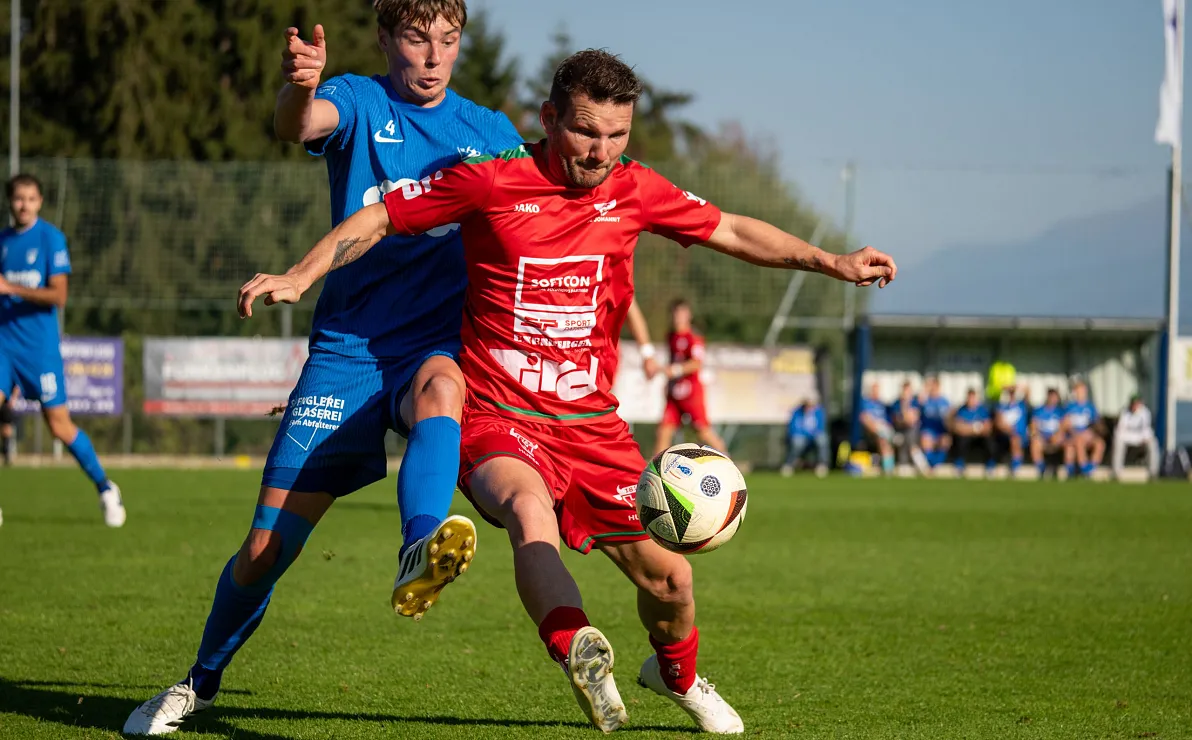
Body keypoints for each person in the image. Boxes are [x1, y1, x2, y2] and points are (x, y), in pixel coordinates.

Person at [239, 49, 896, 733]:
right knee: (528, 513)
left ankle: (676, 675)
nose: (601, 151)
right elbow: (376, 219)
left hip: (592, 427)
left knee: (672, 582)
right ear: (550, 118)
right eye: (585, 132)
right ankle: (578, 645)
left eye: (616, 135)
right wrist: (298, 274)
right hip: (498, 414)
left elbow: (728, 227)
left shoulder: (634, 189)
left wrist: (831, 262)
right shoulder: (490, 183)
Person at [124, 2, 524, 734]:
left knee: (442, 392)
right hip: (345, 352)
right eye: (415, 38)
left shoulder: (491, 133)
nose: (432, 57)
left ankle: (419, 546)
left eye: (447, 41)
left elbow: (532, 219)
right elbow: (297, 126)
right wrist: (299, 86)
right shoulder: (359, 99)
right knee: (264, 550)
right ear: (384, 38)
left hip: (433, 342)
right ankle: (200, 681)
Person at [0, 174, 124, 526]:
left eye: (30, 198)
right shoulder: (2, 242)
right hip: (3, 345)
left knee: (59, 427)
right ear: (10, 201)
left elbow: (59, 295)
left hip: (39, 350)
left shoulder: (50, 238)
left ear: (39, 202)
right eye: (18, 198)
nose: (23, 204)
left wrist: (10, 287)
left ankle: (105, 488)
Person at [651, 298, 727, 456]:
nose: (678, 317)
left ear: (688, 315)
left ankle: (728, 462)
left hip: (691, 392)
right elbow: (672, 362)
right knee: (663, 431)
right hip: (674, 394)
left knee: (703, 431)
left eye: (681, 313)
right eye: (675, 313)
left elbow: (696, 363)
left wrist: (676, 370)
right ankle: (653, 472)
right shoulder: (671, 336)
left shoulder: (694, 337)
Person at [1063, 379, 1104, 478]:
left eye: (1082, 391)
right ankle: (1083, 469)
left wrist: (1091, 431)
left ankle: (1091, 469)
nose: (1080, 393)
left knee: (1100, 444)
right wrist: (1075, 433)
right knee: (1078, 442)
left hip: (1088, 436)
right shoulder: (1070, 407)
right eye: (1078, 391)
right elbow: (1066, 425)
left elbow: (1096, 424)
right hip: (1074, 436)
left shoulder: (1090, 407)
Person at [1112, 396, 1159, 479]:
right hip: (1127, 436)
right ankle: (1116, 471)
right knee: (1118, 441)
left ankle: (1153, 472)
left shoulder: (1145, 412)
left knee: (1153, 442)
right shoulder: (1124, 412)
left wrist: (1145, 438)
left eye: (1137, 403)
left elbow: (1146, 429)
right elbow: (1120, 429)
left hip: (1141, 437)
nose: (1135, 406)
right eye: (1133, 404)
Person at [781, 398, 828, 477]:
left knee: (822, 439)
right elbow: (793, 428)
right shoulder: (797, 412)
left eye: (810, 405)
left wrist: (811, 435)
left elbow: (820, 428)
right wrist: (806, 434)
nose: (808, 407)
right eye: (807, 405)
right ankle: (789, 465)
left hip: (813, 438)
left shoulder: (819, 412)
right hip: (801, 437)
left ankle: (822, 465)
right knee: (797, 441)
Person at [950, 388, 994, 472]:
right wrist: (975, 428)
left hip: (980, 437)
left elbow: (988, 427)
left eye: (973, 398)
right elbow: (958, 427)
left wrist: (969, 428)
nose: (971, 400)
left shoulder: (982, 410)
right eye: (969, 398)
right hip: (967, 437)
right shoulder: (962, 410)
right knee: (960, 440)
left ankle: (990, 464)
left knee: (989, 441)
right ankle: (959, 464)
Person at [859, 382, 895, 475]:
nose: (876, 392)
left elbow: (888, 421)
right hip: (871, 432)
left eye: (878, 390)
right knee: (883, 440)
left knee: (887, 441)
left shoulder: (881, 404)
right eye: (875, 390)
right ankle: (888, 469)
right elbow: (864, 418)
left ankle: (889, 467)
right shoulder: (865, 403)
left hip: (884, 431)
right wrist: (876, 429)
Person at [916, 375, 951, 469]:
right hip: (927, 430)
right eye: (932, 386)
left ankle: (935, 464)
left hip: (940, 431)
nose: (933, 389)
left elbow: (949, 419)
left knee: (946, 440)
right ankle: (930, 464)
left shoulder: (945, 402)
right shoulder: (925, 400)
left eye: (935, 386)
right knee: (926, 439)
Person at [1030, 388, 1066, 476]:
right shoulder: (1039, 411)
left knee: (1066, 444)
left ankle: (1070, 471)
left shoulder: (1060, 412)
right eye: (1052, 397)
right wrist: (1037, 436)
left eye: (1055, 397)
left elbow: (1063, 427)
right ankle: (1042, 470)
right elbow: (1033, 426)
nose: (1053, 399)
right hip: (1042, 438)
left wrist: (1057, 435)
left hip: (1056, 439)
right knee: (1035, 443)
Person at [993, 385, 1028, 474]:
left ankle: (1016, 465)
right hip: (1006, 435)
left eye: (1013, 393)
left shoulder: (1021, 405)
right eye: (1009, 393)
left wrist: (1015, 387)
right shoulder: (1002, 407)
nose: (1011, 395)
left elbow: (1027, 390)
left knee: (1016, 439)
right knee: (1013, 438)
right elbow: (998, 423)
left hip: (1021, 436)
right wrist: (1008, 429)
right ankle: (1015, 465)